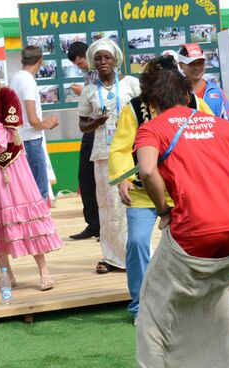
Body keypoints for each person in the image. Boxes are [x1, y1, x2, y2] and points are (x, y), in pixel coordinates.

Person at [133, 67, 229, 368]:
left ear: (150, 103)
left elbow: (146, 170)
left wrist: (162, 211)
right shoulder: (221, 125)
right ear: (188, 95)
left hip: (193, 236)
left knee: (152, 311)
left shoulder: (152, 128)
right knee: (214, 303)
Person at [109, 55, 214, 321]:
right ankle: (140, 304)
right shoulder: (134, 109)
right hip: (144, 193)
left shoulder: (196, 104)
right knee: (136, 242)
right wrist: (124, 178)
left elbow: (214, 137)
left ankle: (191, 298)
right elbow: (121, 148)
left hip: (183, 190)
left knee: (192, 245)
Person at [0, 52, 61, 291]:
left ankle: (44, 271)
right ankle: (6, 274)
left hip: (9, 167)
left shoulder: (6, 94)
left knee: (23, 213)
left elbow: (10, 132)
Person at [78, 39, 140, 274]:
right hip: (103, 154)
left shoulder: (131, 84)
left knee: (134, 203)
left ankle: (138, 255)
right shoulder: (89, 91)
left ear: (115, 60)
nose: (103, 62)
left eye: (107, 57)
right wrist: (95, 122)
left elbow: (145, 111)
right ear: (93, 62)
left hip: (131, 152)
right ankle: (112, 258)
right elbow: (82, 125)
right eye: (98, 58)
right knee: (107, 207)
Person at [9, 46, 59, 203]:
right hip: (31, 140)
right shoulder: (28, 81)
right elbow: (33, 120)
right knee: (40, 190)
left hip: (19, 140)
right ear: (40, 61)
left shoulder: (16, 78)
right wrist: (48, 124)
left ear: (22, 60)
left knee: (26, 191)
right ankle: (41, 226)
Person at [66, 41, 100, 240]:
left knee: (101, 181)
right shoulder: (88, 74)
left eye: (80, 63)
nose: (81, 67)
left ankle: (104, 226)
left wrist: (84, 93)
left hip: (102, 129)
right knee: (85, 177)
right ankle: (93, 224)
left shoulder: (103, 71)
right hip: (89, 128)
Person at [177, 43, 229, 123]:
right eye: (191, 63)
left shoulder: (216, 91)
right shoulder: (175, 93)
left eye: (200, 62)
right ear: (180, 65)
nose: (196, 67)